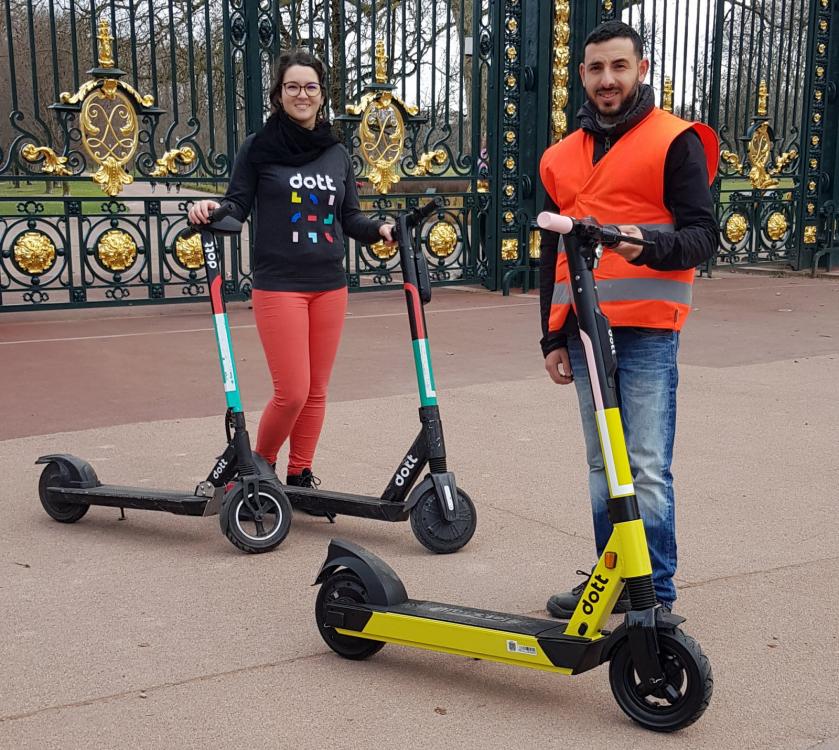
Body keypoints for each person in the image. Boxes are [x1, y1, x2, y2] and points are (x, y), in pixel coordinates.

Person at [538, 21, 719, 617]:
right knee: (603, 465)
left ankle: (654, 596)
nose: (607, 79)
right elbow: (553, 253)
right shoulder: (560, 158)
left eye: (619, 66)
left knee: (643, 465)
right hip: (586, 333)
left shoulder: (675, 141)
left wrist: (648, 247)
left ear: (641, 69)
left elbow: (702, 237)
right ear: (582, 75)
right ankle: (612, 583)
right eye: (596, 68)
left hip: (647, 330)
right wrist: (552, 335)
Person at [188, 49, 394, 490]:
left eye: (310, 87)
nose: (302, 94)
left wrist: (380, 228)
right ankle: (257, 469)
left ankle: (300, 474)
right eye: (292, 86)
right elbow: (237, 207)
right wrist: (211, 209)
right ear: (279, 94)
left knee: (317, 390)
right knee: (293, 391)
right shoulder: (259, 148)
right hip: (279, 286)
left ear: (322, 95)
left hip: (329, 287)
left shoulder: (336, 152)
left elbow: (350, 218)